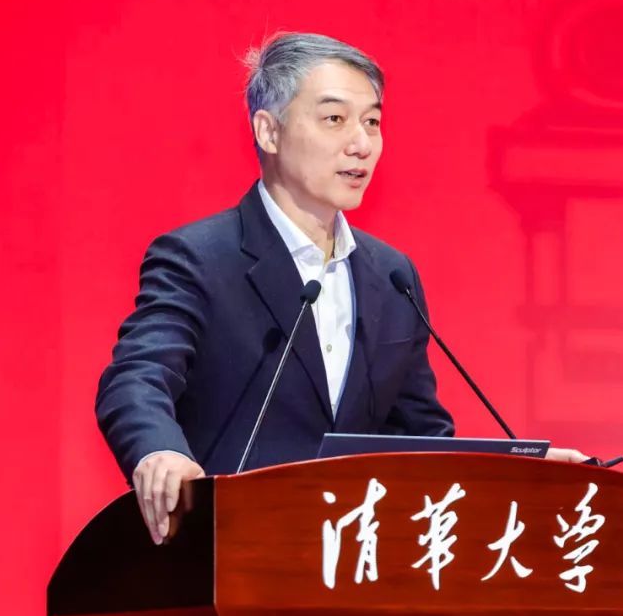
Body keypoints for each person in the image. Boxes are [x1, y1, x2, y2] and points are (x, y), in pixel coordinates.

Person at [96, 32, 587, 548]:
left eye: (372, 122)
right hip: (228, 552)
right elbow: (136, 378)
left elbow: (422, 442)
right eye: (335, 119)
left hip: (355, 565)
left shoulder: (390, 276)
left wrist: (517, 477)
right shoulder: (200, 258)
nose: (362, 144)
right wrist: (160, 451)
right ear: (268, 131)